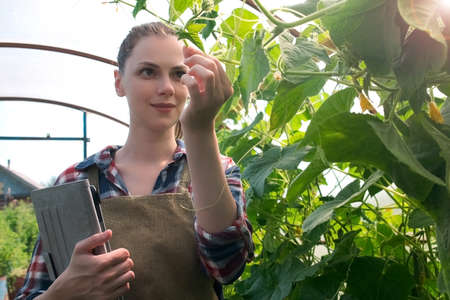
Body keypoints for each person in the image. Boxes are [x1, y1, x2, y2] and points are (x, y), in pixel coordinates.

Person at [16, 22, 254, 300]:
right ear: (119, 82)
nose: (166, 87)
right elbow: (33, 292)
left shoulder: (219, 170)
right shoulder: (75, 181)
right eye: (148, 72)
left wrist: (201, 129)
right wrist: (62, 293)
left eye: (179, 74)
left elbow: (226, 266)